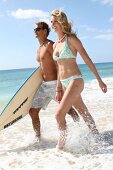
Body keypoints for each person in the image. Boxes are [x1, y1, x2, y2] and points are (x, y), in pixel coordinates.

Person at [50, 9, 107, 150]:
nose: (53, 24)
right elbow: (58, 68)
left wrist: (100, 80)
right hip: (64, 84)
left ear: (62, 22)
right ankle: (97, 136)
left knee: (58, 115)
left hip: (76, 80)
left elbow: (87, 60)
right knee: (83, 111)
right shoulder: (55, 44)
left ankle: (60, 147)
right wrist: (58, 87)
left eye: (55, 21)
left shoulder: (72, 40)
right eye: (51, 22)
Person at [29, 21, 79, 139]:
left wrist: (59, 86)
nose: (35, 31)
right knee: (32, 111)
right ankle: (38, 138)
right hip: (44, 85)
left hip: (54, 84)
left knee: (68, 110)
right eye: (34, 29)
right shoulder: (39, 49)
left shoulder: (51, 45)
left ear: (45, 31)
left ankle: (79, 128)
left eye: (37, 29)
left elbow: (59, 65)